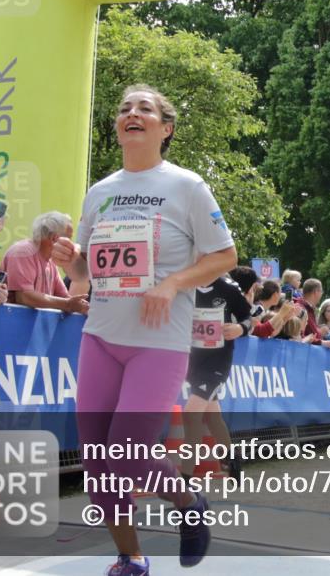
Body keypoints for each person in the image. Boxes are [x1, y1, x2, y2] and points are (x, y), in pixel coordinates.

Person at [51, 84, 238, 574]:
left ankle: (187, 500)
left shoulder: (187, 186)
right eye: (124, 109)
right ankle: (130, 557)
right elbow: (84, 273)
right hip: (101, 336)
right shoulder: (100, 192)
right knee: (97, 466)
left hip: (157, 342)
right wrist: (72, 260)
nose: (131, 113)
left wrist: (172, 283)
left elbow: (225, 257)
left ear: (165, 128)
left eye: (145, 108)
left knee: (128, 455)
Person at [182, 266, 256, 480]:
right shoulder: (183, 285)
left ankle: (185, 478)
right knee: (213, 416)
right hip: (192, 358)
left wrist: (240, 329)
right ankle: (232, 459)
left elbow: (248, 318)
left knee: (191, 414)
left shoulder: (228, 289)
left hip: (217, 360)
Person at [0, 211, 88, 314]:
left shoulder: (50, 262)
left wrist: (82, 306)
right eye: (69, 239)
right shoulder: (22, 252)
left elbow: (64, 297)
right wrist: (68, 304)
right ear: (54, 238)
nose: (71, 244)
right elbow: (24, 297)